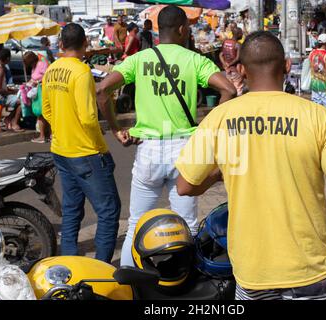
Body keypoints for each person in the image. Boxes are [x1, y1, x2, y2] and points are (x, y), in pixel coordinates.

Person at [175, 31, 326, 301]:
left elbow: (186, 185)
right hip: (311, 273)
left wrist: (221, 170)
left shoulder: (219, 118)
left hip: (253, 274)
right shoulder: (317, 117)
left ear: (243, 71)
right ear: (286, 66)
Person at [97, 5, 236, 267]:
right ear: (183, 29)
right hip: (184, 149)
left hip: (148, 149)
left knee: (137, 222)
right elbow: (228, 89)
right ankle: (190, 281)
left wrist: (116, 129)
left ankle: (129, 281)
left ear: (160, 29)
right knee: (188, 224)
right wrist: (208, 131)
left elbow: (103, 90)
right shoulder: (194, 60)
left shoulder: (140, 59)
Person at [42, 23, 121, 263]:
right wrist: (101, 148)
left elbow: (46, 110)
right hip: (85, 152)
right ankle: (100, 268)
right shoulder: (82, 72)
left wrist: (64, 128)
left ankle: (69, 261)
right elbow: (88, 118)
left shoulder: (51, 69)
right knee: (108, 211)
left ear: (61, 45)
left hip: (61, 150)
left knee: (72, 209)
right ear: (85, 44)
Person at [0, 49, 22, 132]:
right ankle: (13, 122)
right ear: (8, 58)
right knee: (22, 101)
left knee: (19, 97)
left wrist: (12, 90)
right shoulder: (0, 70)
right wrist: (13, 92)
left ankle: (8, 119)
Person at [19, 51, 50, 144]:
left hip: (43, 92)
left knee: (41, 114)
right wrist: (28, 83)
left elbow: (47, 76)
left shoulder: (41, 64)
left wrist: (36, 82)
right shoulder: (34, 66)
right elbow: (34, 77)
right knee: (42, 114)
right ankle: (48, 135)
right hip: (37, 92)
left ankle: (42, 136)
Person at [219, 27, 244, 96]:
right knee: (238, 88)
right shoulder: (238, 44)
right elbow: (238, 58)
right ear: (238, 34)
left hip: (227, 70)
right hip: (236, 70)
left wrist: (225, 64)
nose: (242, 35)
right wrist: (230, 64)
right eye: (241, 33)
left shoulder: (225, 42)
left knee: (230, 88)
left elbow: (221, 55)